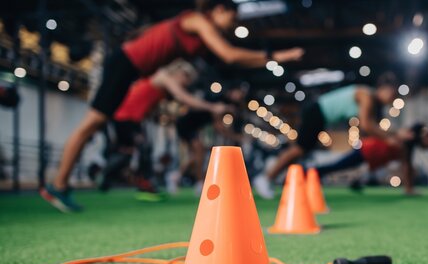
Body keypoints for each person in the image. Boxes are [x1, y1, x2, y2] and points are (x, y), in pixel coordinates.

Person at [41, 0, 303, 212]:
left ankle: (61, 184)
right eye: (231, 19)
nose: (230, 26)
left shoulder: (194, 32)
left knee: (94, 127)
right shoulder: (199, 20)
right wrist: (276, 56)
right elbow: (229, 55)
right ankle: (59, 185)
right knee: (90, 125)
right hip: (124, 65)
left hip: (130, 69)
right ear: (219, 9)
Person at [96, 60, 229, 200]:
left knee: (130, 151)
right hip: (125, 116)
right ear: (180, 72)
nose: (186, 83)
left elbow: (150, 103)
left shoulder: (161, 84)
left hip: (132, 118)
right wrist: (212, 107)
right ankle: (139, 185)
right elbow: (183, 97)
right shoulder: (163, 76)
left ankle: (108, 178)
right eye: (186, 78)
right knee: (142, 150)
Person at [253, 74, 400, 199]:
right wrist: (391, 137)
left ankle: (273, 179)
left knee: (301, 150)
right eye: (392, 95)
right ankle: (265, 178)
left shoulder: (372, 102)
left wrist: (390, 135)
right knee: (299, 149)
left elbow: (369, 127)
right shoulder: (366, 95)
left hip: (320, 115)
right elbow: (367, 125)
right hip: (316, 111)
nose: (391, 99)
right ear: (384, 89)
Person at [313, 123, 428, 195]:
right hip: (370, 150)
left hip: (376, 156)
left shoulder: (412, 143)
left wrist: (409, 188)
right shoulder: (412, 135)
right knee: (339, 166)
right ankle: (310, 173)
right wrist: (409, 189)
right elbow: (406, 165)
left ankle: (354, 182)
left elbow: (407, 165)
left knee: (344, 167)